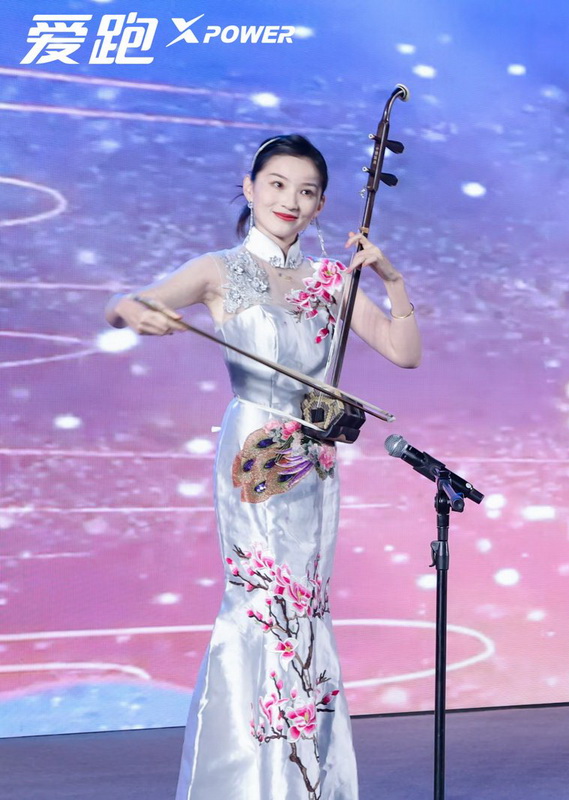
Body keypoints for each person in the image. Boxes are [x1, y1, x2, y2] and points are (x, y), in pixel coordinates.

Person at [104, 134, 421, 799]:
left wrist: (391, 280)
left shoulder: (331, 279)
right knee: (261, 601)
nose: (290, 200)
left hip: (315, 458)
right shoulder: (219, 269)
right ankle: (247, 783)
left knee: (307, 605)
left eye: (306, 191)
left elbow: (403, 351)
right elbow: (130, 303)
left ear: (320, 205)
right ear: (249, 189)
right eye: (276, 184)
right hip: (255, 454)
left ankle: (306, 781)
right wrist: (137, 313)